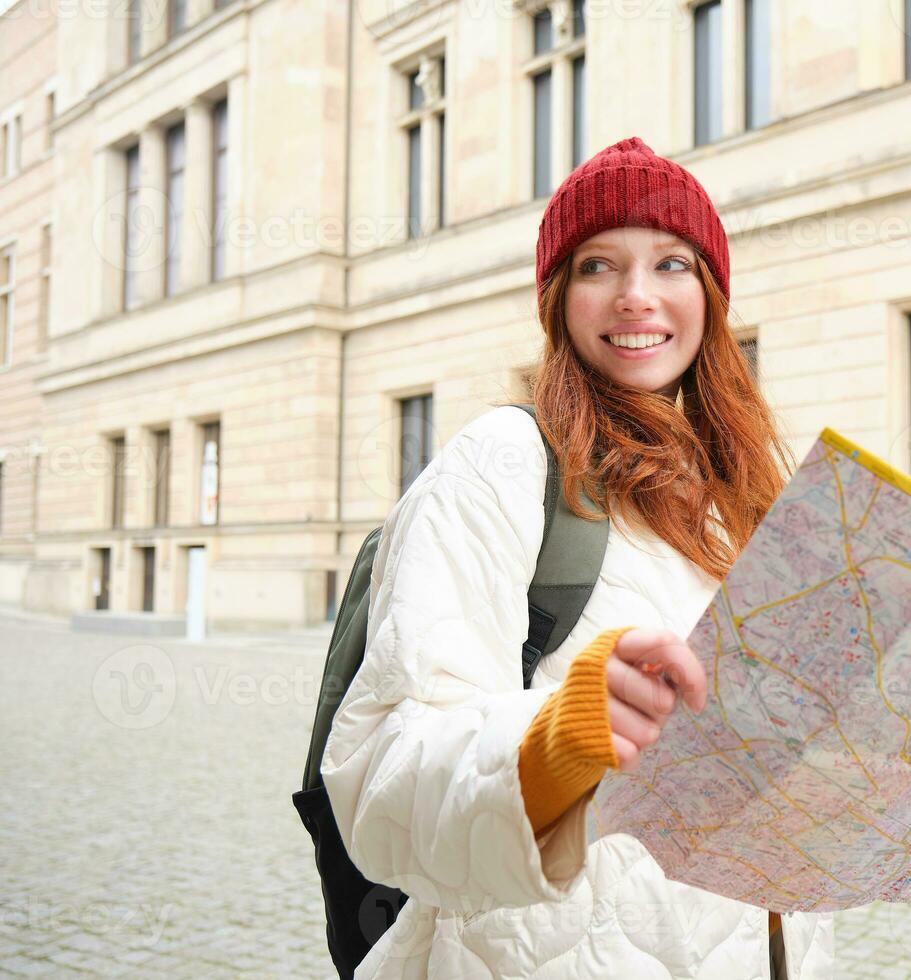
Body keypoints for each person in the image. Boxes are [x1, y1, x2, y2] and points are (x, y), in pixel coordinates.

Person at [321, 136, 836, 979]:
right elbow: (380, 778)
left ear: (710, 294)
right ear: (559, 299)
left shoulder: (741, 489)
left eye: (671, 263)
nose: (637, 297)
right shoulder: (503, 461)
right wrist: (559, 738)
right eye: (599, 266)